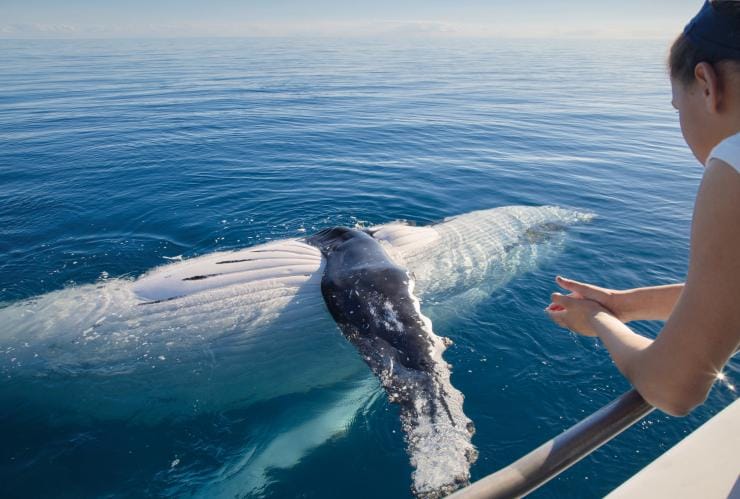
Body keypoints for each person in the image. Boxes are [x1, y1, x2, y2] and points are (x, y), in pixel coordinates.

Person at [546, 0, 740, 417]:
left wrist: (597, 321)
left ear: (706, 84)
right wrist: (625, 305)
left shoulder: (734, 166)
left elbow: (674, 388)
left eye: (677, 106)